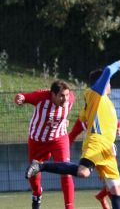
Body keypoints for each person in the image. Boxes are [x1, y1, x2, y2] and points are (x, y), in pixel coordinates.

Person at [25, 60, 120, 209]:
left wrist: (118, 128)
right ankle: (41, 166)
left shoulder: (106, 103)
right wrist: (118, 64)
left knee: (117, 191)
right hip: (97, 143)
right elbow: (107, 71)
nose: (110, 85)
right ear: (103, 83)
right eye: (108, 82)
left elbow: (88, 119)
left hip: (108, 150)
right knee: (83, 172)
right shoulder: (95, 95)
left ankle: (41, 166)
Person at [14, 80, 75, 209]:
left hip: (59, 139)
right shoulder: (41, 97)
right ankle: (37, 193)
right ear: (52, 94)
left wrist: (65, 121)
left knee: (66, 169)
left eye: (67, 95)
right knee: (33, 175)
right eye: (62, 96)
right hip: (37, 141)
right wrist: (20, 98)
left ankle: (69, 207)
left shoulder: (70, 99)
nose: (65, 99)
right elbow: (24, 96)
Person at [69, 117, 120, 209]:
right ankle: (101, 197)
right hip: (94, 153)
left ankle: (101, 197)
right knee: (112, 185)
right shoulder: (84, 118)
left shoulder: (103, 112)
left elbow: (117, 122)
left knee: (112, 184)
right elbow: (72, 135)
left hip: (108, 152)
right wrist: (64, 148)